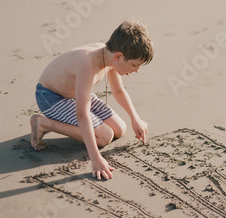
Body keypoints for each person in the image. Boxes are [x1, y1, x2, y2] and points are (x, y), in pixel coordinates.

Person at [30, 20, 154, 180]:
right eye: (134, 65)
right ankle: (43, 123)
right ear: (118, 56)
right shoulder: (87, 63)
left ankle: (48, 123)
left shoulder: (111, 56)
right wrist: (95, 158)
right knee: (105, 136)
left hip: (76, 92)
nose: (136, 70)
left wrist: (135, 118)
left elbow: (118, 90)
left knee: (120, 129)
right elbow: (82, 114)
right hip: (51, 97)